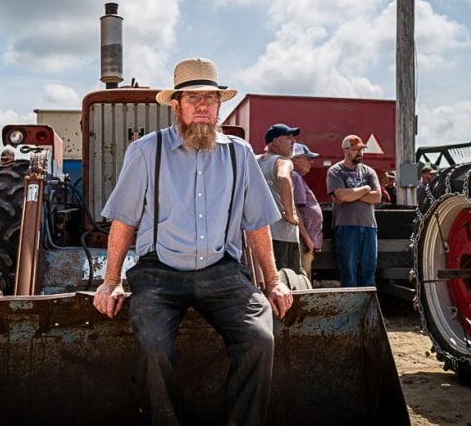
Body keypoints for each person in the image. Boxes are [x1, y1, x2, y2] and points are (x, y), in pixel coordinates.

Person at [93, 57, 293, 425]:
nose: (202, 105)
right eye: (192, 98)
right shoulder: (145, 152)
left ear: (219, 106)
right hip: (158, 274)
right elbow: (124, 220)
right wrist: (111, 280)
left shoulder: (240, 154)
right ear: (176, 106)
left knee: (260, 339)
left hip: (222, 271)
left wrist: (274, 280)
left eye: (210, 99)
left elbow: (257, 223)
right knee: (153, 345)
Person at [325, 134, 381, 287]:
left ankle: (367, 309)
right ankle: (351, 309)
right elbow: (341, 195)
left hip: (369, 227)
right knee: (348, 273)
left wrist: (352, 194)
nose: (359, 153)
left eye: (361, 149)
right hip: (346, 227)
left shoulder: (369, 171)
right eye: (355, 149)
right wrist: (365, 188)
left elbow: (377, 197)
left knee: (368, 272)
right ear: (345, 150)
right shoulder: (335, 171)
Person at [256, 123, 304, 275]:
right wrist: (289, 213)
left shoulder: (254, 160)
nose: (293, 142)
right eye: (288, 138)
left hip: (257, 235)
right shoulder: (283, 161)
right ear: (275, 141)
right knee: (288, 282)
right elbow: (283, 177)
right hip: (283, 235)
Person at [291, 143, 323, 281]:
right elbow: (295, 210)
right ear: (296, 159)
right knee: (303, 278)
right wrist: (307, 239)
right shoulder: (295, 177)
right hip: (303, 240)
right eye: (307, 158)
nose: (311, 162)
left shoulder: (297, 177)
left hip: (305, 239)